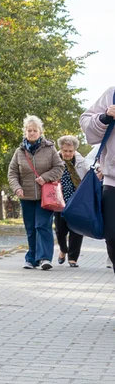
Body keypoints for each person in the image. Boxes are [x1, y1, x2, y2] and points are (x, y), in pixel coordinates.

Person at [7, 115, 64, 271]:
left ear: (40, 132)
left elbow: (59, 168)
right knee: (31, 228)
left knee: (42, 225)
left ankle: (44, 258)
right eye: (29, 130)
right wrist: (17, 187)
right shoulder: (19, 151)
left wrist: (44, 178)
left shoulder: (49, 148)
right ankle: (31, 259)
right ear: (25, 132)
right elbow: (12, 173)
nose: (31, 133)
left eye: (34, 130)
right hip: (26, 195)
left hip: (46, 195)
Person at [80, 86, 115, 275]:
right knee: (112, 235)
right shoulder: (113, 94)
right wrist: (105, 117)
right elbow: (85, 122)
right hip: (112, 181)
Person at [54, 135, 89, 266]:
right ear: (61, 150)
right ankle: (63, 249)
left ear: (74, 150)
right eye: (65, 151)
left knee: (77, 229)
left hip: (76, 201)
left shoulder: (81, 161)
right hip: (59, 200)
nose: (67, 153)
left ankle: (73, 258)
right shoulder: (54, 161)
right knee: (60, 229)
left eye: (70, 151)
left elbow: (90, 168)